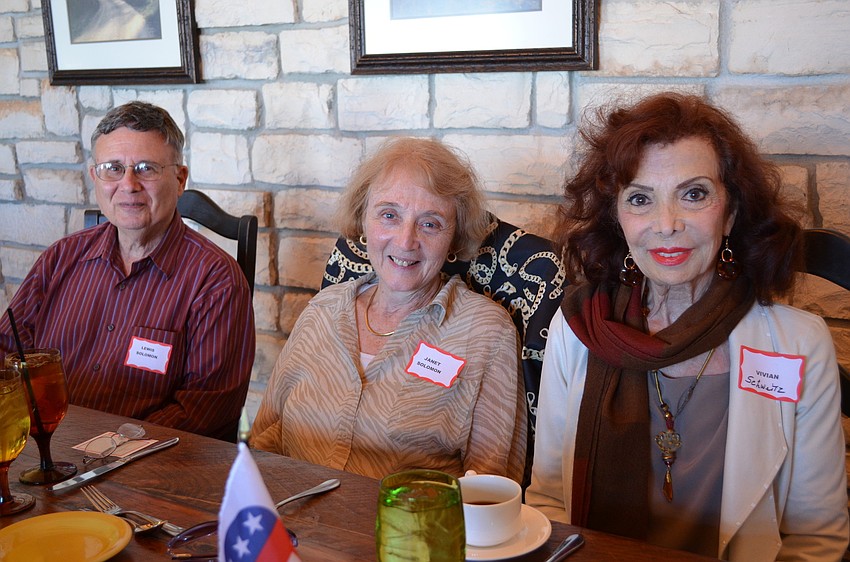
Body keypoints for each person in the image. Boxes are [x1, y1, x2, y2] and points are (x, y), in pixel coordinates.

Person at [525, 93, 849, 560]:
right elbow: (550, 502)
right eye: (640, 199)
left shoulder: (798, 344)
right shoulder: (579, 330)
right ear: (618, 219)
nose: (667, 224)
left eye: (693, 194)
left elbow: (816, 540)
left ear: (731, 211)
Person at [251, 137, 527, 482]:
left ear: (454, 237)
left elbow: (492, 485)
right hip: (288, 519)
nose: (405, 241)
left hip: (405, 530)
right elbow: (265, 436)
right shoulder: (322, 310)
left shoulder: (486, 332)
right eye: (390, 215)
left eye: (430, 223)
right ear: (362, 219)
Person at [0, 101, 255, 441]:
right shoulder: (60, 258)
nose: (129, 184)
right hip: (40, 447)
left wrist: (110, 447)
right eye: (113, 168)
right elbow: (6, 353)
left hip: (147, 470)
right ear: (95, 178)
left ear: (179, 179)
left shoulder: (217, 281)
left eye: (146, 168)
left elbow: (206, 410)